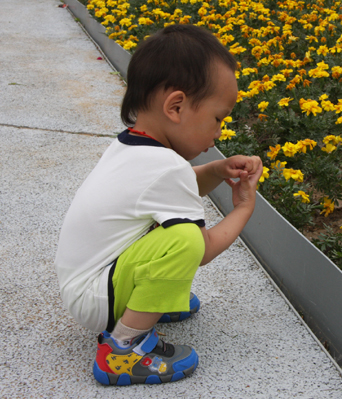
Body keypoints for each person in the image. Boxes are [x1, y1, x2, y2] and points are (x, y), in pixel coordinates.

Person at [54, 24, 262, 386]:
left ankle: (147, 300)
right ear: (176, 106)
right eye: (218, 119)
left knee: (173, 228)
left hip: (88, 285)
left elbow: (171, 191)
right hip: (98, 297)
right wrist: (243, 209)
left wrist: (215, 169)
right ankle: (123, 350)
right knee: (185, 239)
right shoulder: (168, 167)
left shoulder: (132, 146)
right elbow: (203, 250)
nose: (219, 133)